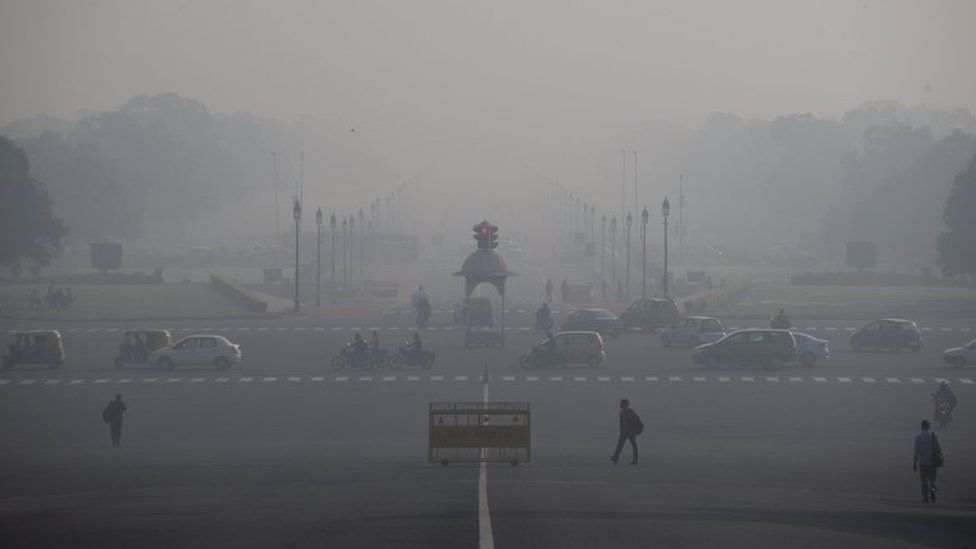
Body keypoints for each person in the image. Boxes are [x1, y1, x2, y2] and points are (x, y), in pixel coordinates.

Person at [913, 419, 943, 502]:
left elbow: (916, 451)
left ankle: (925, 497)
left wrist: (915, 462)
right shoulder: (933, 436)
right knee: (933, 480)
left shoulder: (918, 438)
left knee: (924, 482)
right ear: (929, 427)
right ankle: (933, 491)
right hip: (932, 462)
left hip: (923, 462)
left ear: (921, 427)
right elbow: (938, 448)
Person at [611, 399, 643, 465]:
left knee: (633, 445)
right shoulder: (622, 412)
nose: (620, 404)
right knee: (620, 445)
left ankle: (635, 460)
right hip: (624, 431)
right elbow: (621, 422)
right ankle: (615, 457)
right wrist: (621, 429)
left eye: (621, 403)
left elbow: (633, 421)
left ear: (625, 404)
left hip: (630, 431)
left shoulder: (630, 412)